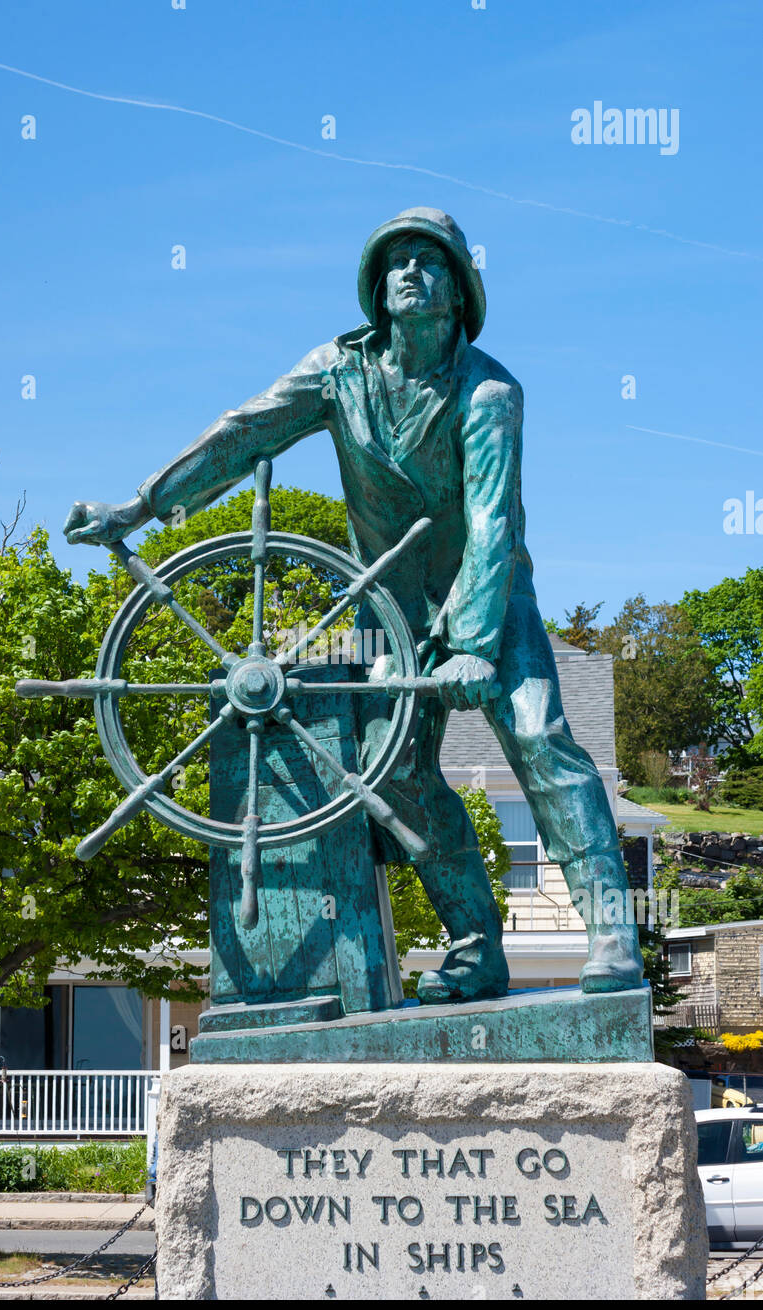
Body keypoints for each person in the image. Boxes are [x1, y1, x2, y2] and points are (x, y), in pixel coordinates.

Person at [64, 206, 644, 1003]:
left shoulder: (488, 393)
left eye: (428, 260)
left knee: (544, 743)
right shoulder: (338, 369)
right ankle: (476, 945)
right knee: (392, 770)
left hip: (488, 593)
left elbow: (490, 518)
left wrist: (473, 639)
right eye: (395, 261)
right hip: (390, 607)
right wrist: (139, 507)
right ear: (376, 288)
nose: (410, 272)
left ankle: (611, 934)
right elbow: (243, 433)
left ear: (460, 291)